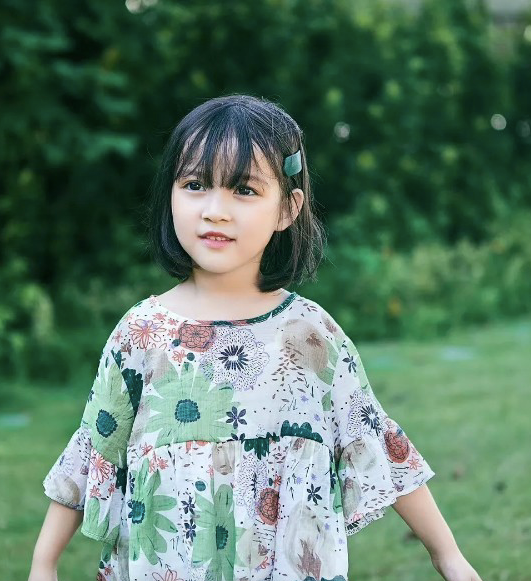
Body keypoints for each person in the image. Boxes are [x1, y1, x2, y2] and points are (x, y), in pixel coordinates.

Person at [28, 94, 482, 581]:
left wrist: (448, 555)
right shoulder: (141, 333)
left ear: (287, 209)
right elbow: (94, 448)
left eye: (244, 190)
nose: (216, 211)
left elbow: (372, 441)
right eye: (195, 185)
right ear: (170, 195)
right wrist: (43, 563)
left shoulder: (311, 335)